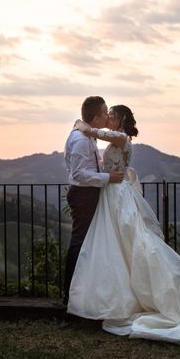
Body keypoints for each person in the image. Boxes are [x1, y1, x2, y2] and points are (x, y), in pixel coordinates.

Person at [67, 104, 180, 345]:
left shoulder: (122, 138)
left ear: (122, 119)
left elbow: (99, 134)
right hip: (110, 194)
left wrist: (82, 125)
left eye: (112, 115)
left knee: (131, 241)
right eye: (107, 114)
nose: (109, 118)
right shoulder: (116, 139)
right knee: (113, 243)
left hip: (118, 195)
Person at [63, 96, 126, 306]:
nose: (108, 115)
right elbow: (80, 173)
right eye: (105, 112)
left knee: (89, 243)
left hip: (86, 193)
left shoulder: (86, 135)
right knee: (80, 242)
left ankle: (84, 292)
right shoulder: (82, 139)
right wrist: (108, 178)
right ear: (97, 117)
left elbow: (79, 167)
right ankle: (70, 294)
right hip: (84, 195)